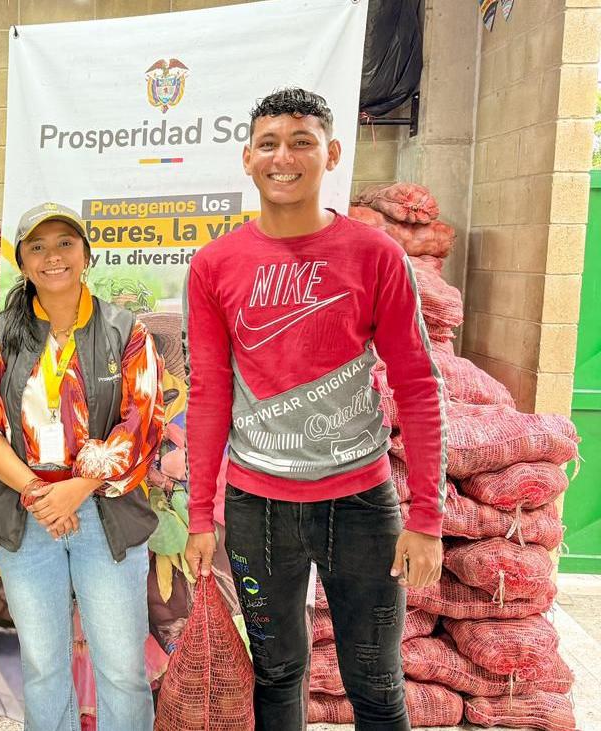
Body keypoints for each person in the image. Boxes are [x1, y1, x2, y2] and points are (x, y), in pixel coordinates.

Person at [182, 87, 445, 731]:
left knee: (377, 685)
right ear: (247, 159)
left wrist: (427, 516)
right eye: (269, 143)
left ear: (330, 153)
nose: (285, 157)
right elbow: (209, 391)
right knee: (275, 676)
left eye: (302, 141)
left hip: (361, 504)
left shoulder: (375, 254)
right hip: (256, 506)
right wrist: (198, 512)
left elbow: (417, 383)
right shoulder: (215, 264)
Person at [0, 202, 164, 731]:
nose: (53, 257)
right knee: (44, 668)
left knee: (121, 668)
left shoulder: (124, 330)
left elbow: (143, 421)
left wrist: (75, 490)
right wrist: (38, 494)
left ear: (87, 255)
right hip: (27, 518)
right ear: (21, 262)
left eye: (65, 243)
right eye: (38, 247)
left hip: (105, 516)